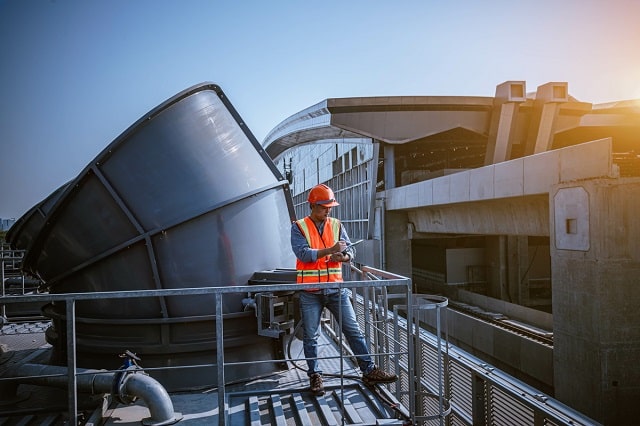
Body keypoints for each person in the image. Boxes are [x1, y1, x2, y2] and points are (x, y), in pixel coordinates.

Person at [291, 183, 398, 396]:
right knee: (311, 337)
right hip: (310, 292)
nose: (328, 210)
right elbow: (303, 254)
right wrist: (330, 250)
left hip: (335, 290)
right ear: (312, 205)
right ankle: (315, 375)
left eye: (330, 206)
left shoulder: (336, 224)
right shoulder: (299, 227)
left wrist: (344, 256)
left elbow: (351, 250)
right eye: (323, 206)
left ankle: (368, 370)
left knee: (353, 331)